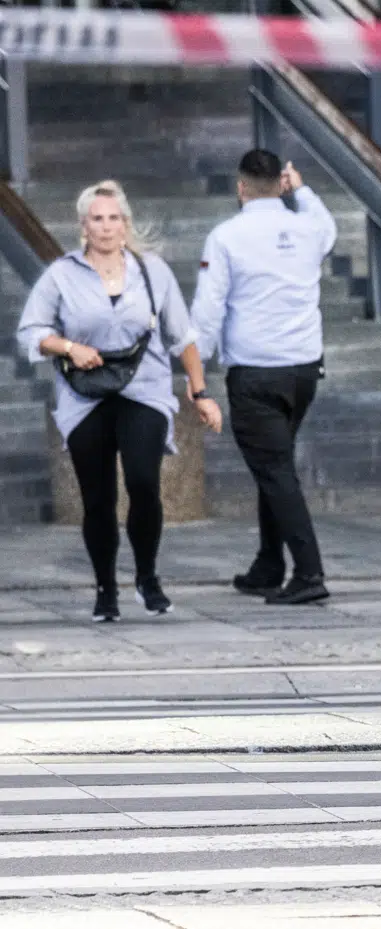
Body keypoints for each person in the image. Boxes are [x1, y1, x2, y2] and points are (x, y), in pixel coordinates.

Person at [16, 180, 223, 621]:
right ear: (83, 226)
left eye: (113, 218)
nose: (106, 227)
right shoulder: (62, 274)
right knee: (98, 498)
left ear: (125, 224)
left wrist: (200, 391)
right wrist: (69, 348)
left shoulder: (152, 271)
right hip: (84, 396)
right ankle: (105, 587)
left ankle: (147, 577)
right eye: (97, 219)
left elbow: (182, 335)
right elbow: (30, 332)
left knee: (144, 483)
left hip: (143, 390)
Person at [191, 150, 338, 605]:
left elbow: (209, 309)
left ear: (240, 188)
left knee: (274, 470)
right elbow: (329, 230)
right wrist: (303, 190)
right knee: (273, 465)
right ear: (281, 182)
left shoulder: (226, 237)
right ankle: (269, 563)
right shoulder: (309, 228)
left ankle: (309, 573)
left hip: (255, 372)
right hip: (303, 371)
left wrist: (197, 376)